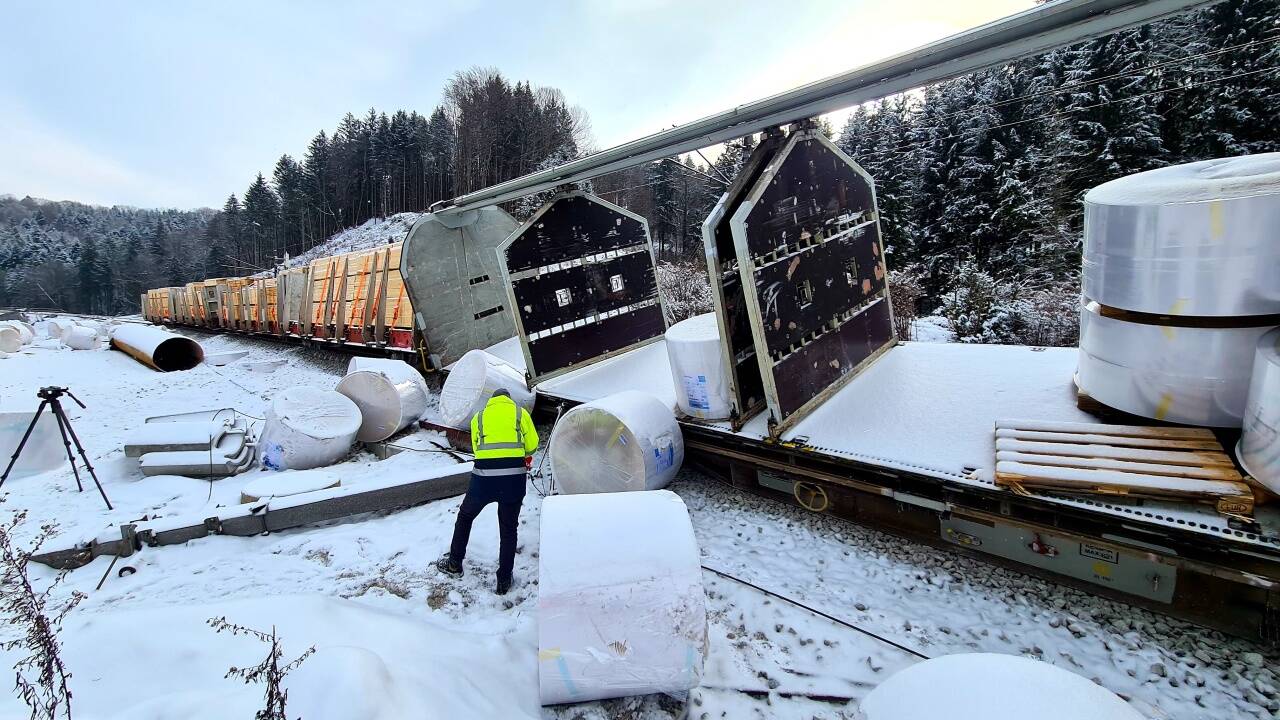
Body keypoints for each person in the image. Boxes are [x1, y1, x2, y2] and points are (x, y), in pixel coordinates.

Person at [436, 388, 538, 595]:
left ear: (492, 401)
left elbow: (477, 449)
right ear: (509, 400)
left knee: (465, 516)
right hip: (513, 480)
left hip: (483, 480)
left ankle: (454, 563)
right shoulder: (520, 414)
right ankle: (504, 580)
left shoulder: (479, 417)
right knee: (508, 529)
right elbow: (533, 446)